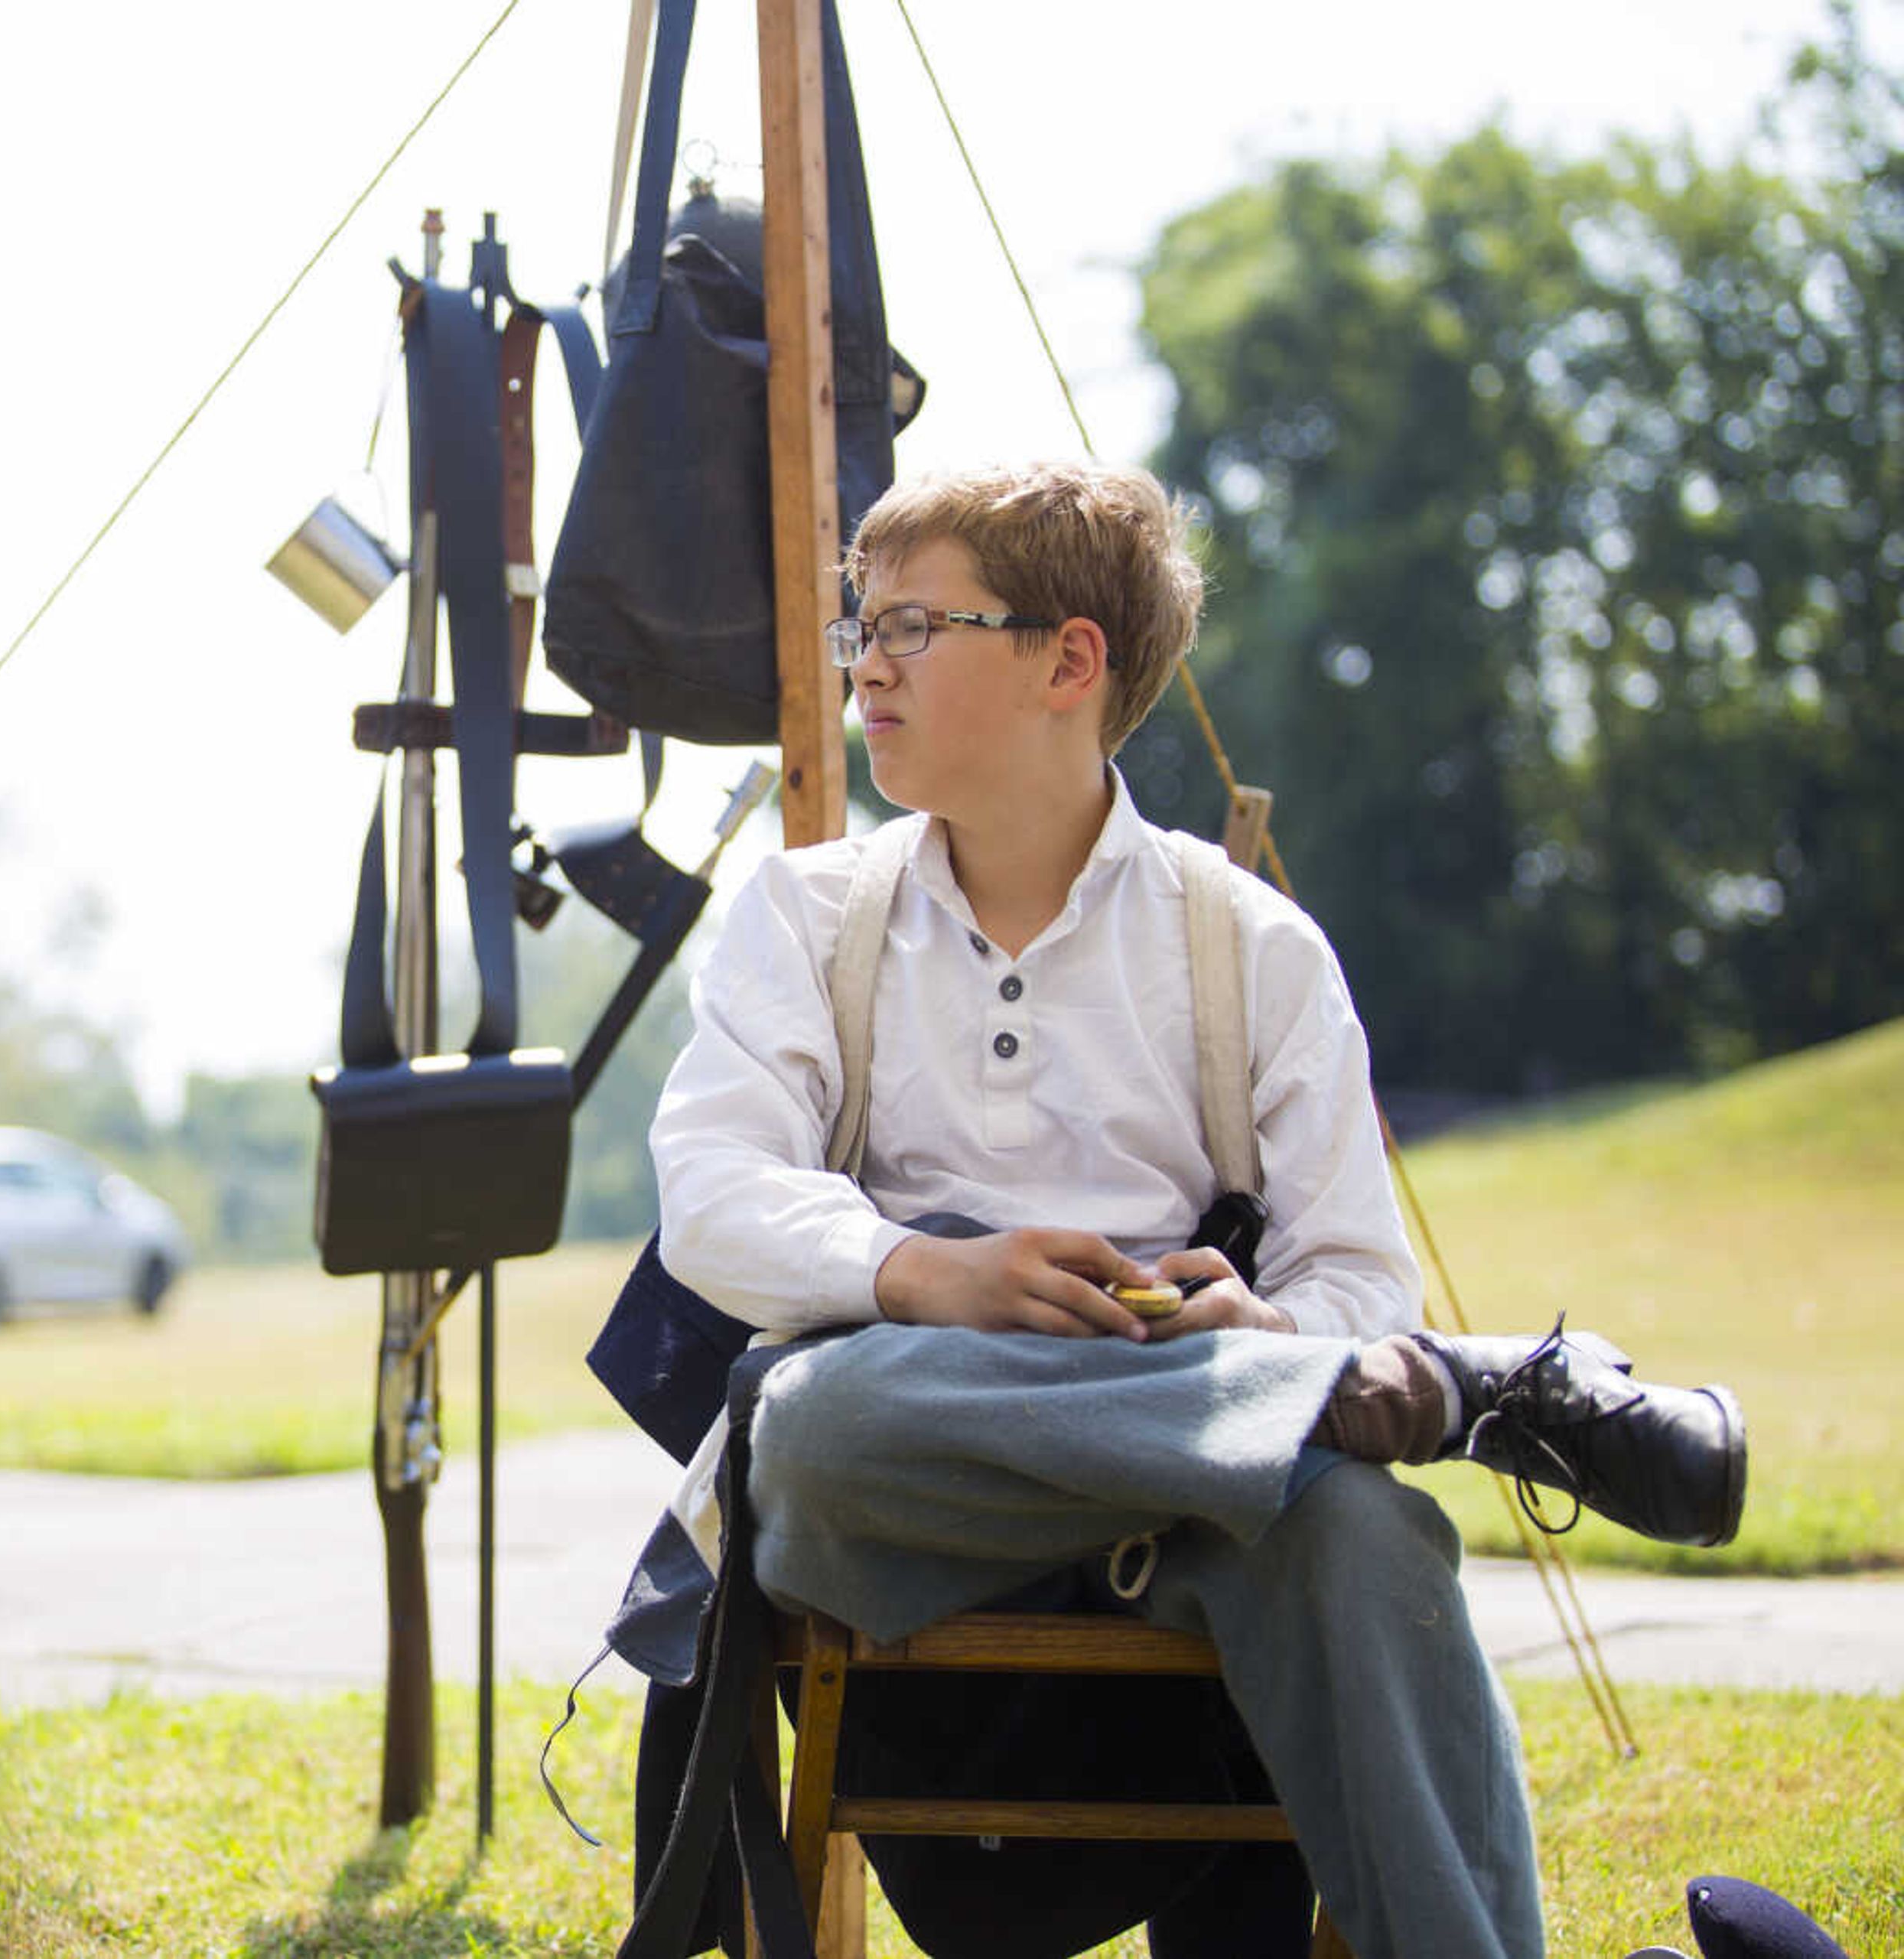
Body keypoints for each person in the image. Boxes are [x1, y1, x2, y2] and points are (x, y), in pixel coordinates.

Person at [621, 460, 1746, 1959]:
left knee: (1362, 1541)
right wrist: (931, 1279)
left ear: (1066, 660)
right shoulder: (806, 919)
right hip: (899, 1488)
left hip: (1208, 1539)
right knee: (811, 1423)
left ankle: (1283, 1417)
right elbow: (710, 1204)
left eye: (908, 627)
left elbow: (1355, 1281)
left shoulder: (1253, 949)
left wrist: (1269, 1325)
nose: (864, 669)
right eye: (859, 632)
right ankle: (1459, 1398)